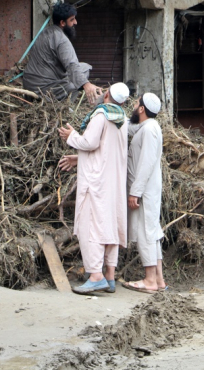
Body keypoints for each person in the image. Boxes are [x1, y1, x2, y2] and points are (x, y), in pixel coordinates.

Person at [58, 83, 130, 294]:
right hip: (114, 182)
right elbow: (105, 151)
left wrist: (71, 136)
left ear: (107, 94)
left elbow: (90, 142)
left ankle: (95, 275)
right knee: (110, 225)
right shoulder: (123, 119)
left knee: (91, 226)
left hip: (96, 182)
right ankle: (109, 275)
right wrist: (78, 158)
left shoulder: (101, 116)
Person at [123, 93, 167, 294]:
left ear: (141, 109)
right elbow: (130, 127)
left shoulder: (149, 129)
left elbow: (146, 163)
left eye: (136, 103)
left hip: (145, 190)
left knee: (146, 231)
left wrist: (135, 192)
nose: (133, 105)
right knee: (151, 229)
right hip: (147, 189)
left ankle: (149, 279)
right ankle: (158, 279)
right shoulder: (147, 127)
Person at [23, 2, 102, 103]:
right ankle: (67, 107)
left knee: (84, 66)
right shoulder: (61, 39)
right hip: (43, 89)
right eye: (72, 20)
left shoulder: (45, 32)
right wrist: (86, 85)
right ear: (62, 23)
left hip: (29, 84)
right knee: (78, 78)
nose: (75, 22)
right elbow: (72, 65)